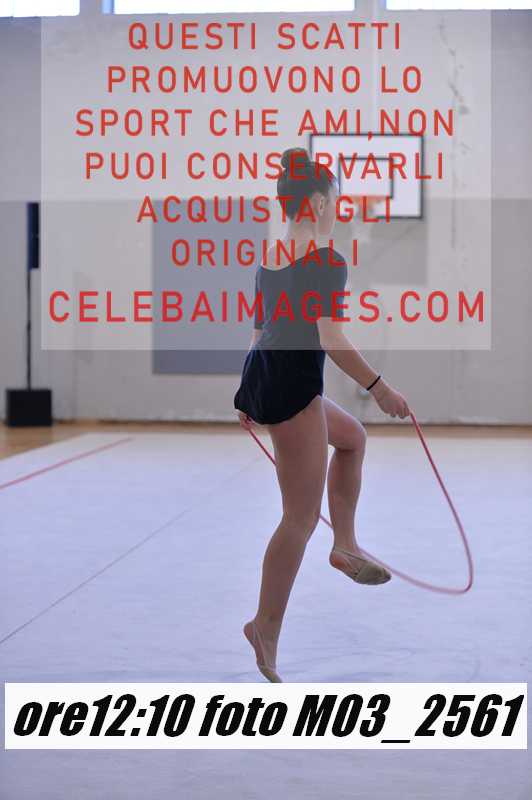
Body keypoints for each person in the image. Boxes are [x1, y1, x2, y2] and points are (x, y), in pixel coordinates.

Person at [233, 147, 409, 683]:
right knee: (299, 517)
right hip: (293, 389)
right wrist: (381, 389)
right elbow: (330, 338)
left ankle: (346, 545)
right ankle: (264, 626)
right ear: (314, 203)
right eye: (335, 200)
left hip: (268, 378)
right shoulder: (326, 260)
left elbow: (259, 332)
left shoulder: (272, 255)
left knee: (351, 439)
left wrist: (247, 392)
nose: (338, 209)